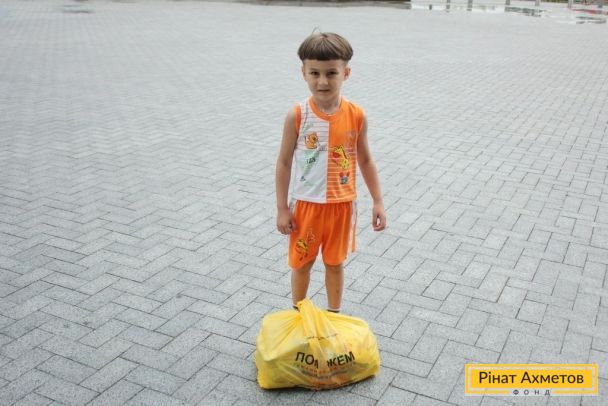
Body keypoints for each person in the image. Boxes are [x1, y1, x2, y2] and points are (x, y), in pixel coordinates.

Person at [275, 32, 386, 313]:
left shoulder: (356, 115)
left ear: (346, 73)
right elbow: (284, 163)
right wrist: (282, 209)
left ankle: (334, 316)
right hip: (306, 207)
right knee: (302, 263)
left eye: (331, 73)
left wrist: (378, 201)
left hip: (341, 206)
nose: (322, 81)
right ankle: (299, 315)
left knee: (335, 264)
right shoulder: (298, 115)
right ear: (303, 73)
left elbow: (366, 160)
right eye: (314, 73)